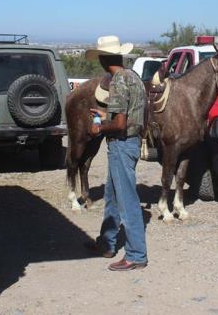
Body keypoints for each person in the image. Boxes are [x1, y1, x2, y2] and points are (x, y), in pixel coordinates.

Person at [83, 35, 148, 271]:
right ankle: (107, 242)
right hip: (129, 142)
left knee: (126, 200)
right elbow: (132, 113)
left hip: (121, 143)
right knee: (112, 195)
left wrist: (99, 126)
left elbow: (120, 124)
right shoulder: (134, 78)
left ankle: (136, 254)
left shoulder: (118, 81)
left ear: (103, 59)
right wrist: (104, 110)